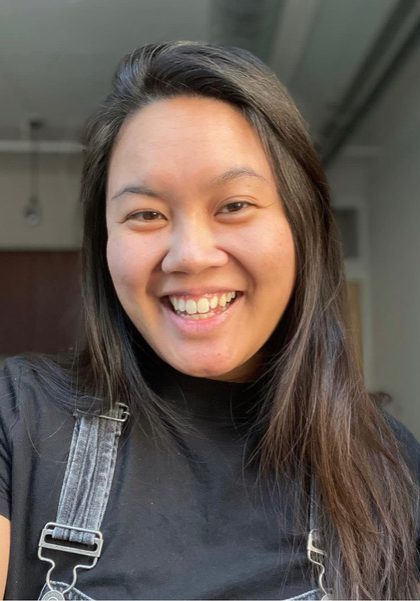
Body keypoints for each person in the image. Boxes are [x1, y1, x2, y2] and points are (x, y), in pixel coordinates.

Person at [0, 41, 419, 600]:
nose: (190, 255)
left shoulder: (388, 466)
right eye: (146, 214)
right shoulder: (19, 417)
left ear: (303, 226)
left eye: (234, 205)